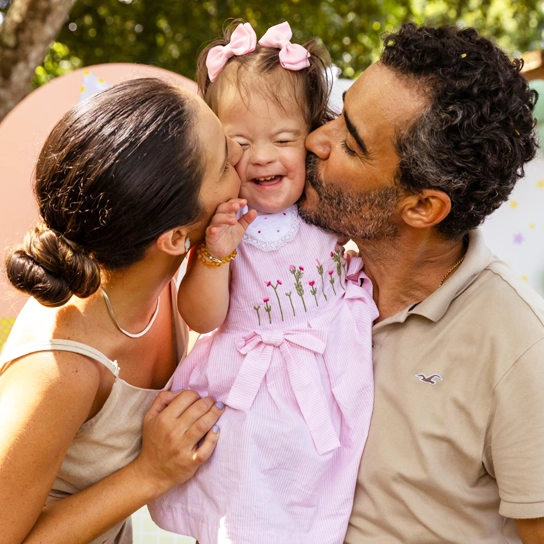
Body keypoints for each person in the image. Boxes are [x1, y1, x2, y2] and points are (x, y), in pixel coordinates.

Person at [297, 22, 544, 544]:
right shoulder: (309, 280)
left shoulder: (520, 346)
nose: (316, 139)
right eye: (339, 114)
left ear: (422, 207)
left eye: (351, 142)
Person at [148, 21, 378, 544]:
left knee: (335, 479)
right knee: (249, 497)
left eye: (283, 139)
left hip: (331, 364)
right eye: (238, 141)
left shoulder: (323, 207)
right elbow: (202, 318)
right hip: (251, 390)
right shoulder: (223, 221)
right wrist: (215, 256)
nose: (262, 155)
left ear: (313, 139)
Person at [0, 77, 244, 544]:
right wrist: (151, 473)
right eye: (223, 164)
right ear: (174, 237)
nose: (239, 156)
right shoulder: (59, 370)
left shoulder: (169, 278)